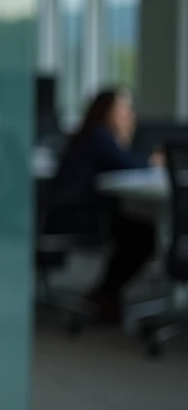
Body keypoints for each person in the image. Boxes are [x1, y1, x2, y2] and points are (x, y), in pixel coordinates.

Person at [45, 88, 164, 320]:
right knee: (140, 235)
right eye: (123, 108)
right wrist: (152, 160)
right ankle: (105, 295)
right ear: (105, 111)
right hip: (75, 216)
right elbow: (130, 165)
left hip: (72, 211)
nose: (130, 114)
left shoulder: (96, 135)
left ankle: (105, 294)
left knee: (136, 232)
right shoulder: (100, 136)